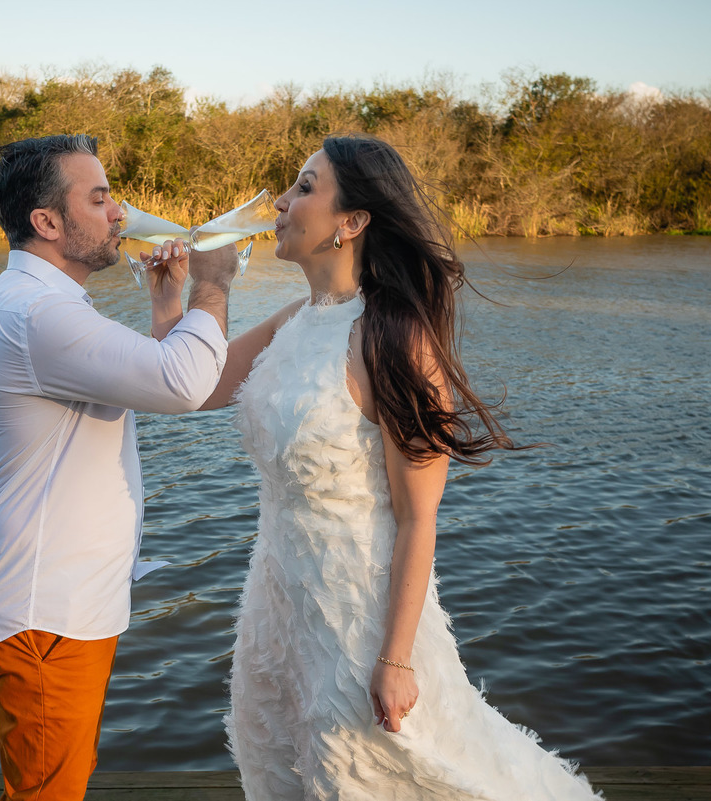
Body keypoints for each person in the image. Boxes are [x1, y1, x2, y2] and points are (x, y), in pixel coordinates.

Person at [202, 134, 600, 800]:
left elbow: (418, 517)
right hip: (274, 611)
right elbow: (193, 385)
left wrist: (396, 657)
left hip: (356, 616)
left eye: (305, 187)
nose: (281, 200)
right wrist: (186, 292)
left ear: (351, 222)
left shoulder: (395, 338)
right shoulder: (293, 320)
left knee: (363, 776)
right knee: (275, 771)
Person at [0, 134, 236, 800]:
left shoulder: (47, 306)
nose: (120, 213)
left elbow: (151, 381)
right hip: (44, 609)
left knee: (58, 781)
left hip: (60, 603)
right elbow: (185, 383)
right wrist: (213, 284)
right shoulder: (39, 313)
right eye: (99, 198)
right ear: (48, 223)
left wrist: (168, 307)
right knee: (49, 794)